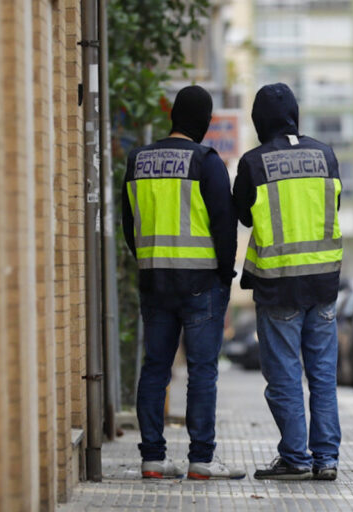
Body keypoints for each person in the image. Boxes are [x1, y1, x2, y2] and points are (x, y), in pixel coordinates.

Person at [122, 85, 244, 480]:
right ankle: (201, 460)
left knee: (155, 368)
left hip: (154, 280)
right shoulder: (206, 162)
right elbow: (224, 227)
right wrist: (225, 275)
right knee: (202, 370)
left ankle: (153, 459)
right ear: (204, 122)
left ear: (174, 116)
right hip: (200, 283)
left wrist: (148, 261)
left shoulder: (137, 160)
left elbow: (129, 224)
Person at [233, 83, 343, 481]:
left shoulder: (253, 163)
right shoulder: (326, 155)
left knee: (284, 377)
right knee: (322, 376)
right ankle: (326, 459)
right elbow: (333, 207)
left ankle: (296, 457)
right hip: (324, 285)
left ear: (259, 120)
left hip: (279, 287)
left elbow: (243, 216)